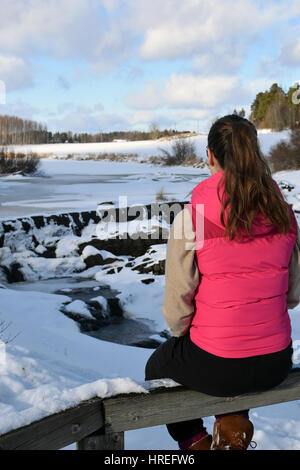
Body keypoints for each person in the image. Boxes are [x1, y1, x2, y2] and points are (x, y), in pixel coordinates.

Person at [145, 114, 300, 450]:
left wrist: (184, 333)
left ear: (210, 155)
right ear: (253, 151)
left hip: (218, 363)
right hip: (276, 361)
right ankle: (232, 428)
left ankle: (196, 442)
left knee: (158, 364)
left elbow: (177, 307)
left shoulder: (191, 218)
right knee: (235, 352)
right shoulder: (283, 213)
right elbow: (293, 295)